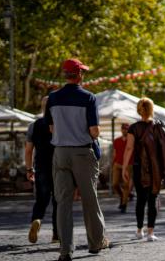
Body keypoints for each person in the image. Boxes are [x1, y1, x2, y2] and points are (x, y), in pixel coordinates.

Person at [45, 58, 109, 261]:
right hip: (82, 153)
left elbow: (51, 128)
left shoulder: (52, 98)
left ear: (65, 75)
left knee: (63, 202)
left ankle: (65, 251)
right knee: (90, 199)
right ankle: (96, 243)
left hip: (60, 152)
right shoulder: (88, 98)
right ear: (80, 74)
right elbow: (94, 131)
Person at [122, 98, 161, 241]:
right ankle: (151, 232)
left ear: (139, 109)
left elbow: (129, 148)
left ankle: (139, 230)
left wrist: (124, 167)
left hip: (139, 167)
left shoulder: (133, 128)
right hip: (155, 168)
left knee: (141, 199)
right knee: (153, 199)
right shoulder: (158, 126)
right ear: (152, 109)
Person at [25, 96, 58, 244]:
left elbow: (28, 150)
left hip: (41, 167)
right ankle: (56, 235)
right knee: (58, 202)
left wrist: (29, 169)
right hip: (59, 166)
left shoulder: (34, 125)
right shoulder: (59, 124)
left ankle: (36, 220)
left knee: (41, 200)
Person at [112, 123, 131, 213]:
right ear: (121, 129)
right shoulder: (116, 141)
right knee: (115, 184)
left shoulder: (131, 141)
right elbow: (114, 153)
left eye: (126, 129)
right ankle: (122, 196)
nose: (125, 130)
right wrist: (113, 163)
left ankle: (124, 204)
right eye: (123, 129)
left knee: (126, 186)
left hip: (128, 165)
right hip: (117, 164)